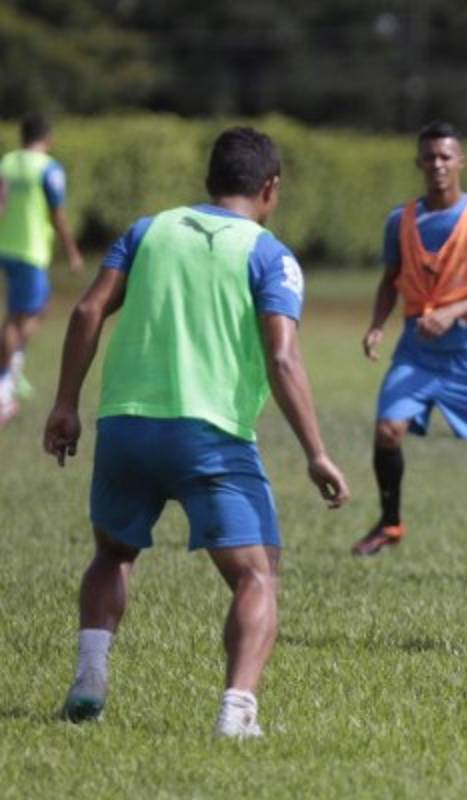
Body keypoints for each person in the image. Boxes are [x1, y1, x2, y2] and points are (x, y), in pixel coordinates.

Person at [43, 127, 350, 737]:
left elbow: (85, 311)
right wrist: (316, 452)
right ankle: (237, 710)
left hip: (125, 424)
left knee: (113, 552)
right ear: (271, 188)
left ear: (210, 180)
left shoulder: (147, 231)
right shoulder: (269, 254)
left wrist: (65, 404)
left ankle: (90, 676)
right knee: (256, 573)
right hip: (210, 434)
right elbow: (283, 359)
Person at [354, 121, 467, 559]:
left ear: (461, 162)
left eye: (445, 157)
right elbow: (390, 280)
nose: (437, 165)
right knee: (387, 430)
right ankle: (390, 523)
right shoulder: (401, 220)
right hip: (416, 351)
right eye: (429, 157)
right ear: (419, 162)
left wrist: (452, 312)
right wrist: (377, 324)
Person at [0, 114, 84, 424]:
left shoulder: (7, 162)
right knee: (16, 315)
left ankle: (13, 365)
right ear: (48, 137)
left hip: (7, 245)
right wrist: (72, 250)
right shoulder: (48, 168)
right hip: (30, 248)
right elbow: (57, 214)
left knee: (37, 307)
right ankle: (4, 383)